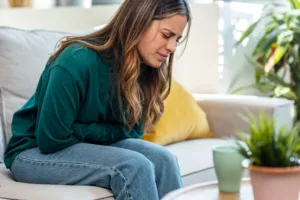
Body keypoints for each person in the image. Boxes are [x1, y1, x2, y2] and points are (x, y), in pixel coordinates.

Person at [4, 0, 191, 199]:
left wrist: (78, 128)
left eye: (177, 39)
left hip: (77, 143)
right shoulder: (76, 59)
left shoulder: (145, 68)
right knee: (134, 166)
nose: (171, 47)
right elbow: (52, 139)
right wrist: (103, 131)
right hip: (32, 153)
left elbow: (133, 130)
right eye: (166, 35)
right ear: (139, 21)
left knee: (164, 159)